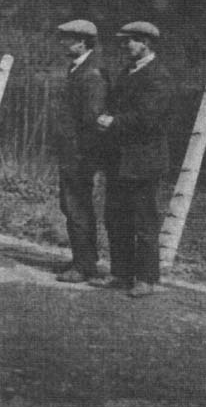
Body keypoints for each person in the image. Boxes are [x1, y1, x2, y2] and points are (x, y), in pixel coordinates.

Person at [93, 20, 171, 298]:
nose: (126, 46)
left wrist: (112, 122)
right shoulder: (128, 72)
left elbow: (148, 119)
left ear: (145, 42)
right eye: (125, 41)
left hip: (144, 161)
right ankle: (121, 273)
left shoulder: (158, 76)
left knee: (144, 220)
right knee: (116, 217)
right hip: (120, 159)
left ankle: (147, 278)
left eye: (131, 41)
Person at [54, 19, 109, 283]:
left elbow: (92, 118)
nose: (64, 43)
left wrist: (84, 154)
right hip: (72, 151)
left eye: (68, 39)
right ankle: (83, 258)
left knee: (77, 206)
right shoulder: (77, 69)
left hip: (80, 153)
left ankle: (84, 264)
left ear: (83, 42)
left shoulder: (91, 74)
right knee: (72, 204)